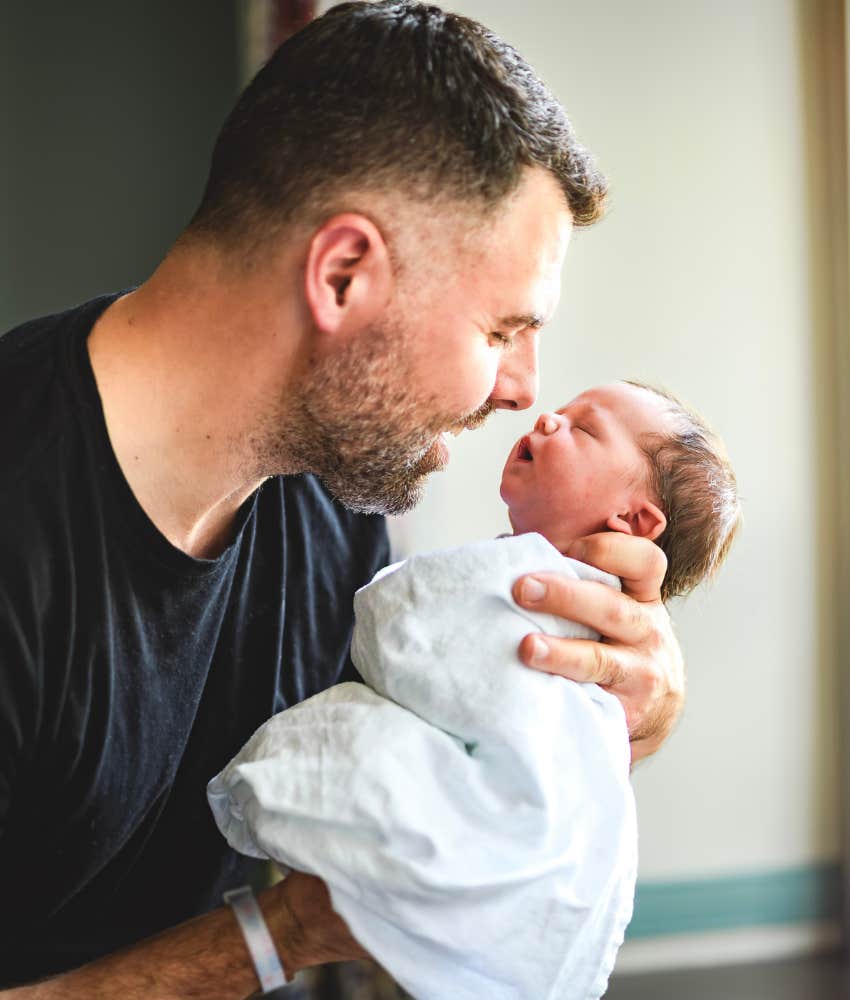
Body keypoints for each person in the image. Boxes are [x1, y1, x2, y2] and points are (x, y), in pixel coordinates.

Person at [0, 3, 685, 997]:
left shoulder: (332, 509)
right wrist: (279, 934)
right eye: (501, 331)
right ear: (344, 273)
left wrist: (619, 698)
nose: (521, 388)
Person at [206, 380, 740, 999]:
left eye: (584, 429)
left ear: (633, 521)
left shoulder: (576, 615)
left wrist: (645, 721)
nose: (543, 418)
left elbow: (407, 632)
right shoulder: (501, 573)